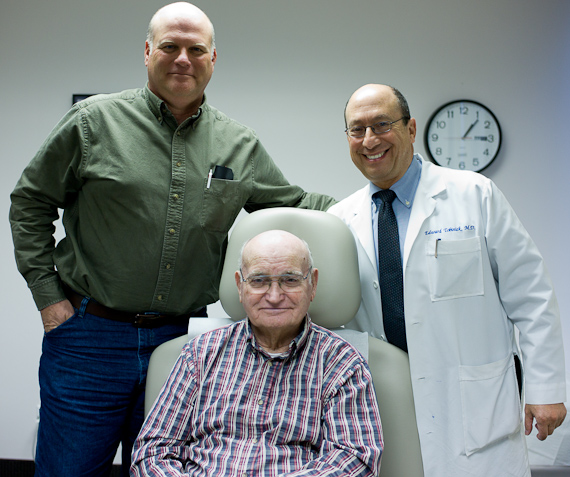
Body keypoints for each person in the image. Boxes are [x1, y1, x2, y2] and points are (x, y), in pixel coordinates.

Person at [8, 3, 335, 476]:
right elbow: (30, 202)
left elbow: (294, 203)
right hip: (88, 339)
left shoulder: (239, 143)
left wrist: (370, 201)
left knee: (166, 470)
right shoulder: (92, 122)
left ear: (212, 59)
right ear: (147, 52)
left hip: (184, 345)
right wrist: (47, 297)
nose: (183, 59)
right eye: (170, 46)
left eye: (196, 49)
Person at [327, 83, 566, 476]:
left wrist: (547, 388)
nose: (369, 140)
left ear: (410, 129)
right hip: (386, 407)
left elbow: (532, 296)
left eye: (382, 124)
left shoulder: (474, 194)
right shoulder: (339, 220)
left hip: (474, 410)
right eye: (357, 129)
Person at [130, 230, 383, 477]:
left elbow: (355, 459)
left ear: (312, 284)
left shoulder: (342, 363)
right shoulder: (199, 353)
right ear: (240, 286)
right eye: (259, 280)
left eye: (290, 280)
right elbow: (153, 452)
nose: (274, 296)